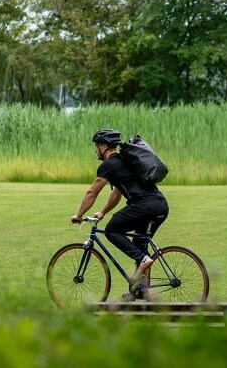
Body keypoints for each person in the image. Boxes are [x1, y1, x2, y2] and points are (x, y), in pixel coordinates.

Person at [70, 129, 169, 301]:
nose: (95, 150)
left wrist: (79, 215)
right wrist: (102, 212)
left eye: (96, 146)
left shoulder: (108, 165)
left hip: (144, 206)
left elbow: (92, 192)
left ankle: (143, 259)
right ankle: (142, 291)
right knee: (140, 244)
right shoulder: (125, 161)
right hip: (160, 205)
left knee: (112, 230)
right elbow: (117, 193)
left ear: (103, 146)